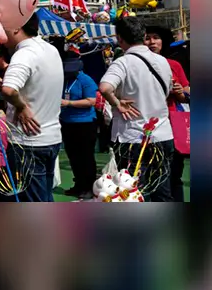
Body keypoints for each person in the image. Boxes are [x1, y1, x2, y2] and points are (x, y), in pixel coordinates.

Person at [98, 17, 175, 201]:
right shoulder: (163, 61)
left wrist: (117, 103)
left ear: (120, 39)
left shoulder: (123, 62)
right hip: (162, 133)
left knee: (133, 191)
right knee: (162, 189)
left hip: (132, 137)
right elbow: (168, 89)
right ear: (143, 35)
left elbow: (104, 87)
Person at [0, 13, 64, 202]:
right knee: (44, 198)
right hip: (51, 138)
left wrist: (21, 106)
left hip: (27, 143)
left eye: (3, 27)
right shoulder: (51, 50)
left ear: (16, 28)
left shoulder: (24, 53)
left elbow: (9, 90)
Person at [146, 25, 191, 202]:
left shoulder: (174, 65)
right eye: (147, 38)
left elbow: (185, 95)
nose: (151, 42)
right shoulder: (136, 63)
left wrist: (181, 91)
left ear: (163, 41)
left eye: (155, 37)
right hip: (145, 125)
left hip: (172, 124)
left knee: (174, 174)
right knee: (150, 175)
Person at [59, 52, 99, 199]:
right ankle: (78, 185)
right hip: (67, 122)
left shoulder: (85, 80)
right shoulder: (64, 79)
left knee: (86, 157)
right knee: (73, 156)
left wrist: (68, 103)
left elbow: (91, 101)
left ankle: (89, 186)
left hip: (85, 123)